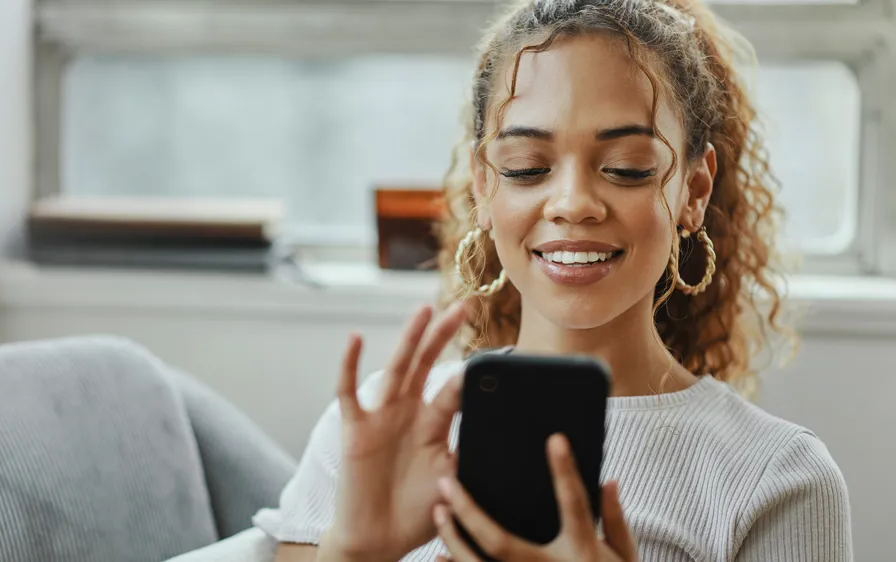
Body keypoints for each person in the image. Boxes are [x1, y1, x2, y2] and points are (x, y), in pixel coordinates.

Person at [255, 0, 853, 560]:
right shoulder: (380, 433)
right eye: (528, 168)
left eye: (625, 169)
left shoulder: (781, 478)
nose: (572, 203)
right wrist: (350, 552)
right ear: (484, 185)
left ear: (693, 191)